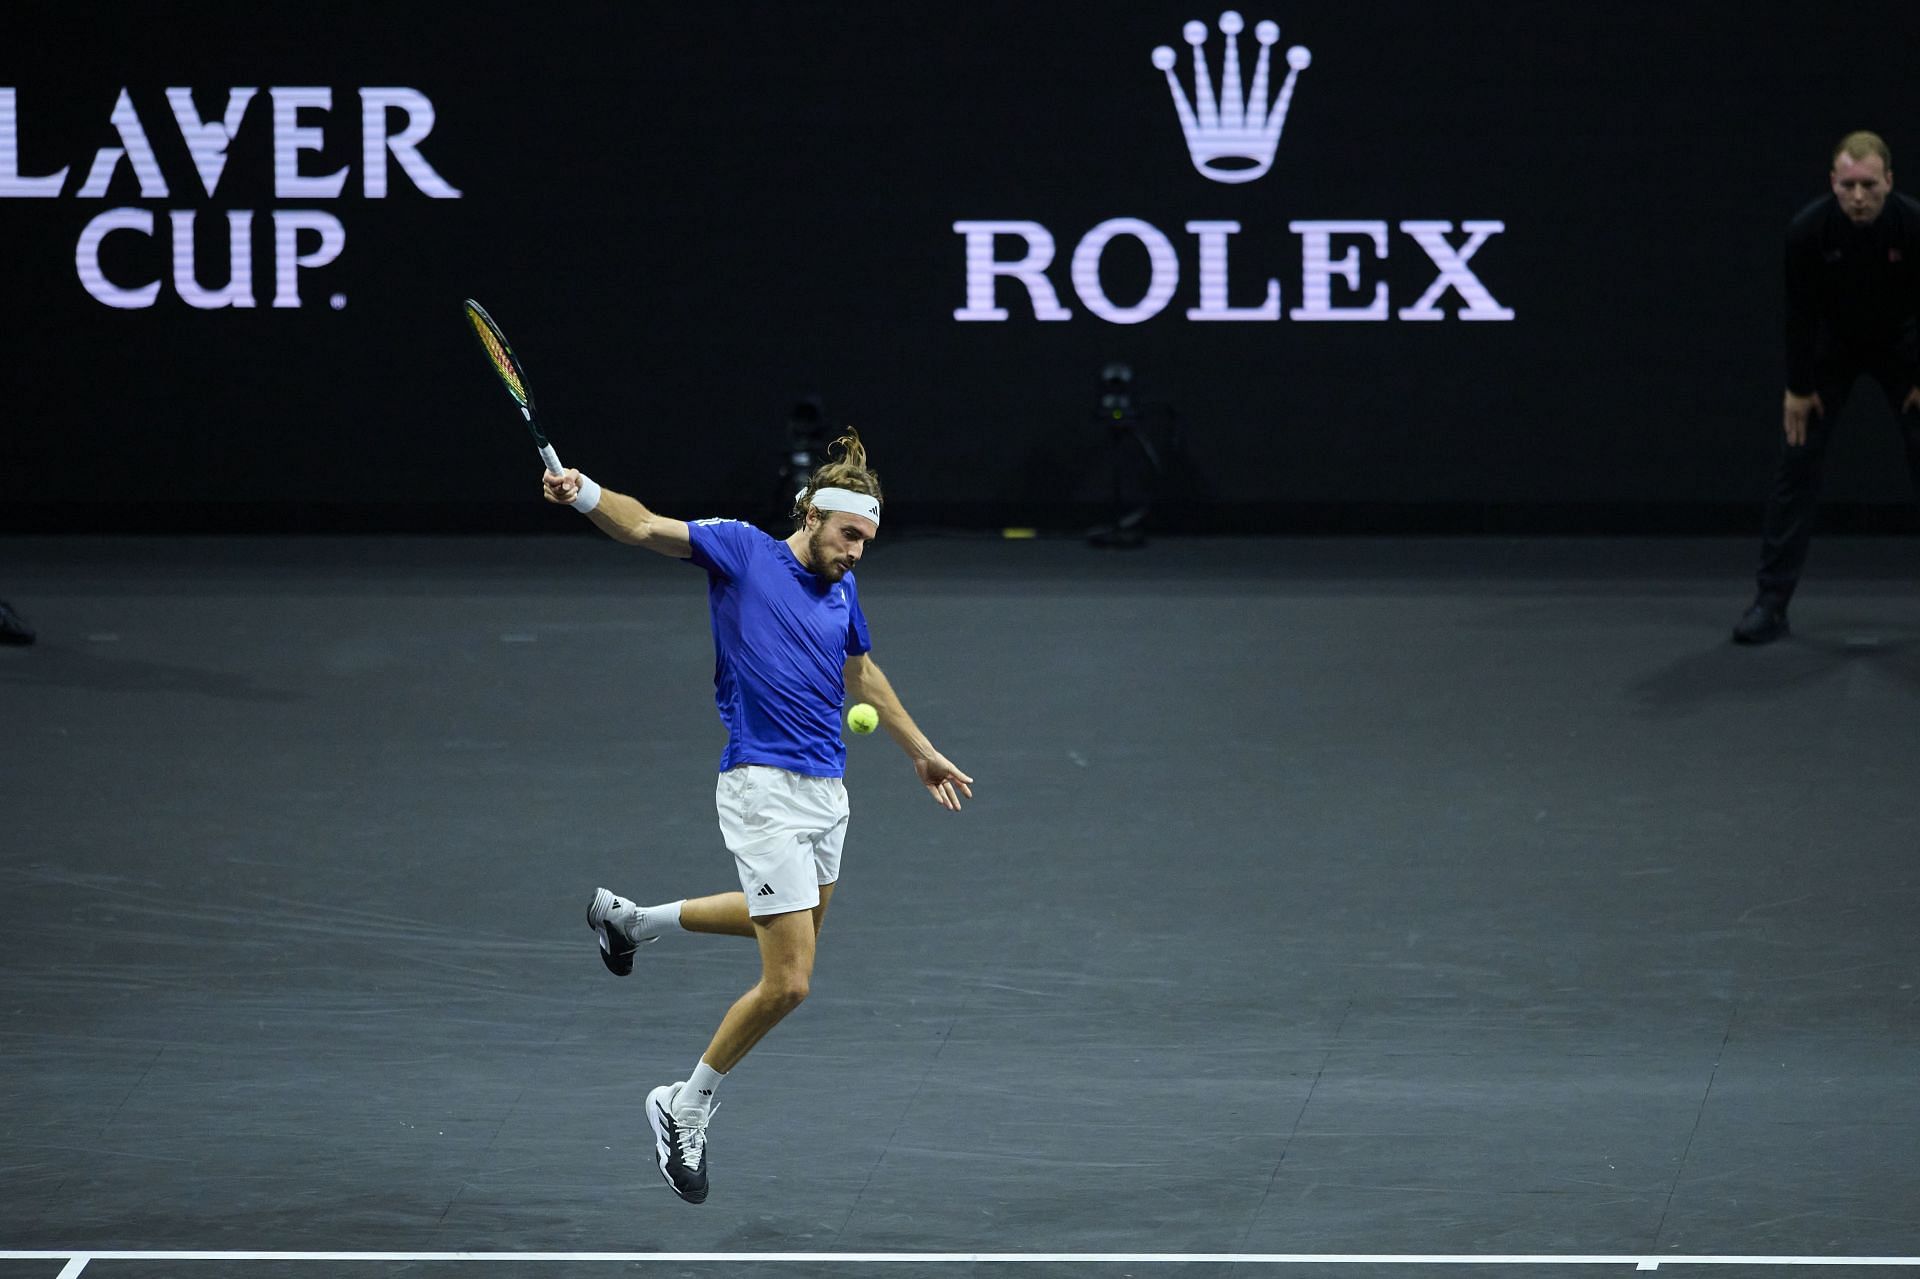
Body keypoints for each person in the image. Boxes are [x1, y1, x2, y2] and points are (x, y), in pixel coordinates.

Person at [540, 429, 973, 1205]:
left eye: (868, 540)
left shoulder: (844, 588)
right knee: (791, 979)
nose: (857, 552)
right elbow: (644, 526)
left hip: (825, 793)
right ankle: (685, 1102)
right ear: (811, 513)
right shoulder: (742, 552)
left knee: (792, 920)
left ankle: (634, 921)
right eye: (849, 535)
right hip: (761, 787)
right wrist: (588, 494)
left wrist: (921, 749)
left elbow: (861, 670)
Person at [1736, 130, 1920, 644]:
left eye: (1869, 185)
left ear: (1889, 181)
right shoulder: (1807, 231)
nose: (1859, 197)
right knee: (1796, 463)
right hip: (1831, 352)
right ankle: (1770, 604)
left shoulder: (1914, 226)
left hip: (1902, 350)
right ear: (1833, 185)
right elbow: (1798, 316)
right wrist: (1798, 387)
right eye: (1848, 186)